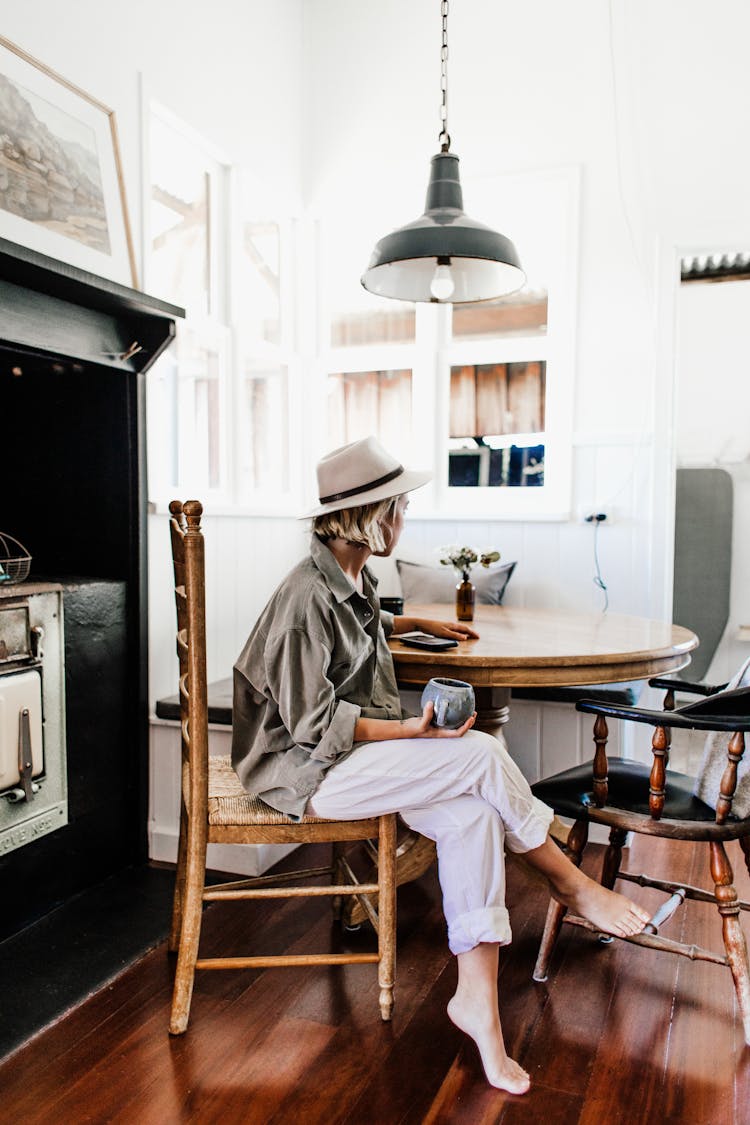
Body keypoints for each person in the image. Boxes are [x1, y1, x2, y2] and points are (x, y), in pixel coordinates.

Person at [232, 435, 649, 1095]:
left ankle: (476, 1004)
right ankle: (571, 883)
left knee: (474, 814)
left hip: (355, 757)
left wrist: (412, 627)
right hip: (306, 772)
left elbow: (363, 621)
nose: (404, 520)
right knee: (480, 748)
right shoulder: (300, 601)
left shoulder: (346, 572)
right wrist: (412, 729)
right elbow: (314, 726)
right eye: (399, 507)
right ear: (369, 516)